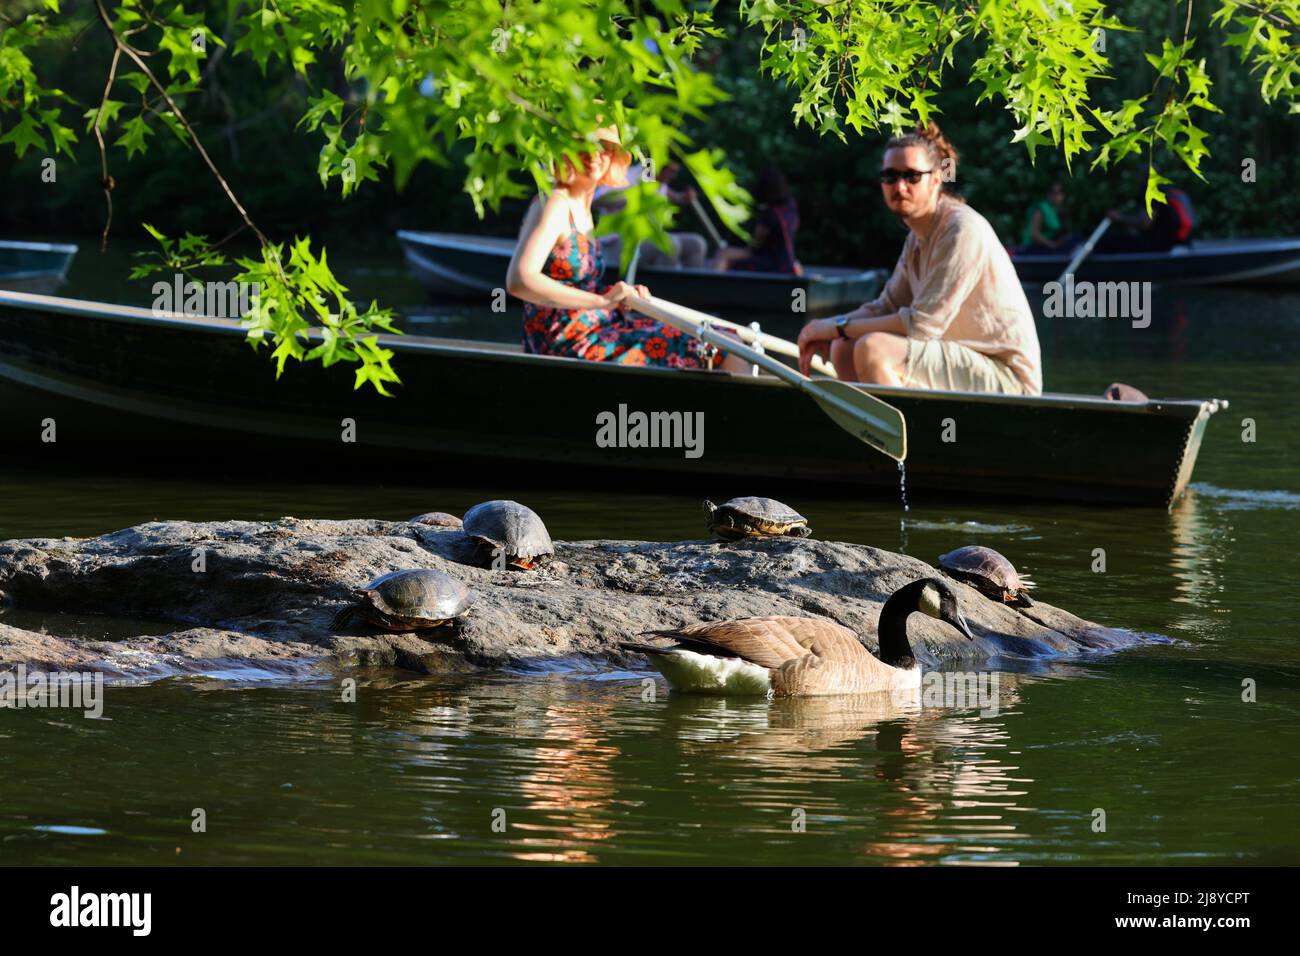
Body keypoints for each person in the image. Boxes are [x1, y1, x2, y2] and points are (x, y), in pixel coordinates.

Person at [797, 123, 1042, 396]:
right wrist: (827, 330)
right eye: (890, 176)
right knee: (844, 348)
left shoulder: (961, 229)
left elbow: (923, 325)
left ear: (936, 179)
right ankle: (869, 435)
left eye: (912, 176)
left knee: (873, 349)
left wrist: (836, 327)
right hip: (964, 364)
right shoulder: (917, 237)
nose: (900, 187)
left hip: (1008, 380)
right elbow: (886, 306)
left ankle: (909, 436)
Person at [506, 123, 749, 371]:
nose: (593, 155)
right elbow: (519, 280)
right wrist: (601, 301)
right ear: (565, 151)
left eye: (603, 148)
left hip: (599, 328)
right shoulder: (555, 203)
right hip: (571, 343)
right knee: (720, 346)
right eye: (583, 145)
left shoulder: (585, 209)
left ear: (612, 157)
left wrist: (619, 295)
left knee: (726, 337)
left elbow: (576, 284)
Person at [594, 159, 709, 269]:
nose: (672, 177)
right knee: (670, 245)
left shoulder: (659, 183)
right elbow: (597, 200)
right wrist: (630, 201)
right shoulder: (628, 176)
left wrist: (683, 198)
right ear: (658, 165)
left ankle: (690, 287)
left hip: (646, 239)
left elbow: (673, 196)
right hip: (617, 243)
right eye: (671, 172)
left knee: (697, 244)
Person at [713, 167, 800, 274]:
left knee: (723, 253)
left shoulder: (769, 214)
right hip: (788, 260)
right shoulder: (790, 207)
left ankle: (713, 287)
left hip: (772, 263)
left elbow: (755, 245)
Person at [1096, 186, 1195, 253]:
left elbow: (1145, 224)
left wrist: (1120, 218)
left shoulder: (1154, 194)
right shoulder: (1172, 193)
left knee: (1108, 240)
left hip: (1160, 246)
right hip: (1181, 243)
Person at [1017, 181, 1077, 255]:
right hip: (1034, 247)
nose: (1056, 195)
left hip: (1049, 247)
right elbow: (1034, 234)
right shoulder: (1041, 209)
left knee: (1075, 237)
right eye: (1053, 192)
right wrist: (1053, 245)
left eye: (1060, 192)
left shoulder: (1060, 211)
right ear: (1048, 194)